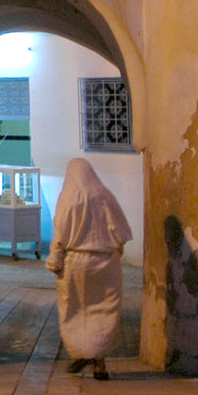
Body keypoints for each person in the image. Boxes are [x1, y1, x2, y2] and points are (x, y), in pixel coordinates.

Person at [46, 158, 133, 380]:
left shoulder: (69, 198)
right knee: (103, 311)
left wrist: (55, 261)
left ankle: (81, 354)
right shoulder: (104, 195)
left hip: (75, 264)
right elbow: (120, 231)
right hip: (105, 263)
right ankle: (99, 363)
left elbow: (61, 235)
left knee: (75, 310)